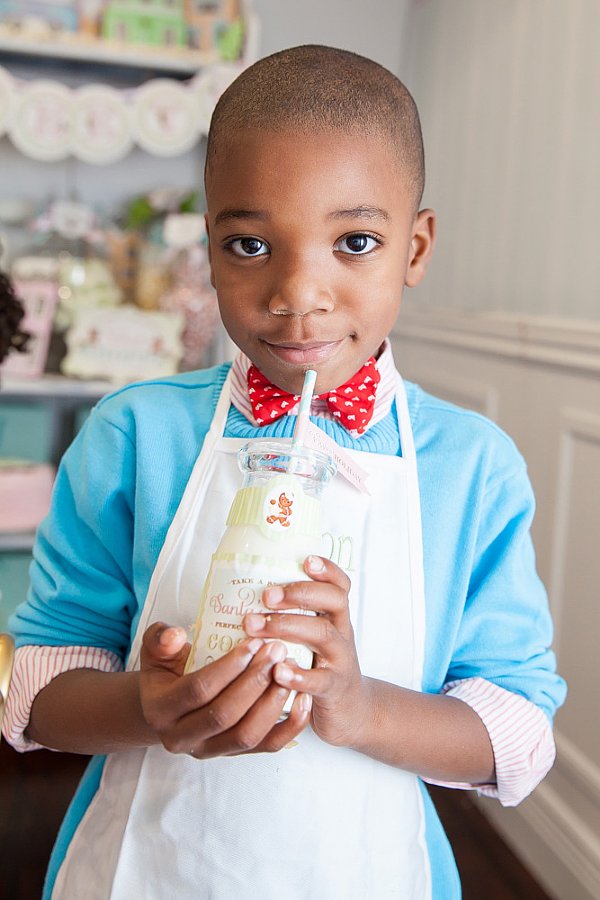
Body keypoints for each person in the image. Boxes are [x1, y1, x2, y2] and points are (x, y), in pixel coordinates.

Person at [3, 45, 566, 899]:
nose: (299, 291)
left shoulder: (474, 470)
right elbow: (39, 693)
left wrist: (361, 706)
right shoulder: (134, 434)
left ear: (415, 248)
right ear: (209, 248)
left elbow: (516, 735)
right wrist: (146, 707)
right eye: (251, 243)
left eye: (356, 241)